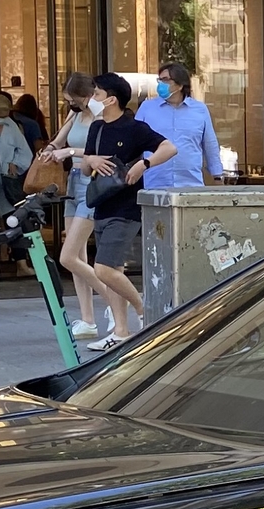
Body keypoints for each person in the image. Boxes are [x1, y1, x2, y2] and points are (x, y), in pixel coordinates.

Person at [71, 72, 153, 348]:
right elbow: (85, 168)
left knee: (104, 269)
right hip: (102, 205)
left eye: (97, 94)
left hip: (125, 207)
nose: (93, 98)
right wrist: (89, 158)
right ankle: (120, 331)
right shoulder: (97, 128)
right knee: (114, 268)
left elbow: (169, 147)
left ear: (111, 99)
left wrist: (145, 164)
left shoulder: (134, 128)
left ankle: (144, 309)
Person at [39, 71, 105, 339]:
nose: (72, 103)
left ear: (86, 95)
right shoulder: (75, 114)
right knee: (78, 257)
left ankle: (117, 296)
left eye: (74, 99)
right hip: (74, 179)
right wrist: (51, 148)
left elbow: (99, 151)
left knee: (69, 255)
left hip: (92, 180)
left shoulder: (101, 115)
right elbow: (59, 138)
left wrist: (69, 152)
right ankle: (88, 318)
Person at [138, 59, 222, 189]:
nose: (161, 84)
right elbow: (134, 141)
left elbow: (210, 145)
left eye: (165, 80)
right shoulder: (147, 108)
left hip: (191, 185)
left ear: (180, 85)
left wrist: (217, 176)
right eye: (159, 80)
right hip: (155, 184)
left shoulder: (200, 110)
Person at [0, 91, 36, 272]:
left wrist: (16, 163)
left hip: (8, 182)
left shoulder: (11, 126)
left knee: (13, 221)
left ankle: (21, 262)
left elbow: (25, 152)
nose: (1, 119)